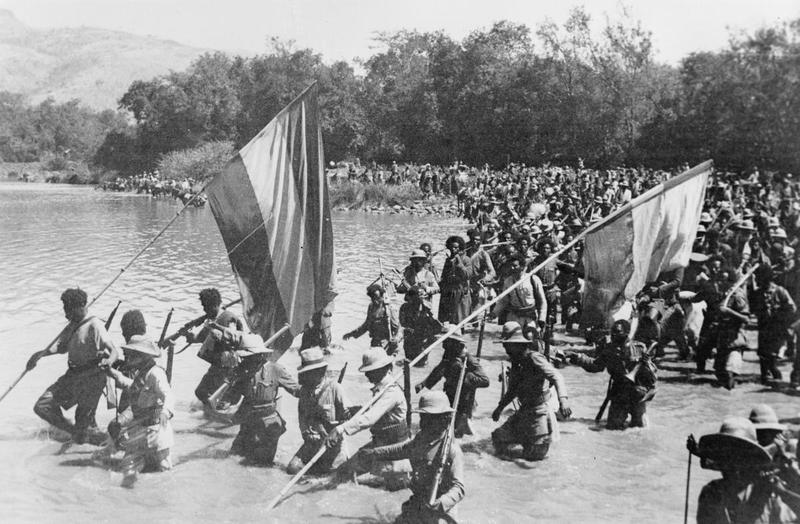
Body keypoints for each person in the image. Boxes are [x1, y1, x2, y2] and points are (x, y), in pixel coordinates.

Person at [28, 288, 120, 445]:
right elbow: (61, 348)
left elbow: (114, 351)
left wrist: (109, 361)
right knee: (42, 405)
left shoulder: (94, 325)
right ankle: (72, 430)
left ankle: (96, 438)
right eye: (65, 308)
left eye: (68, 308)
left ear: (81, 306)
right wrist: (40, 354)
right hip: (72, 376)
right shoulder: (72, 325)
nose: (65, 313)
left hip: (91, 379)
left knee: (84, 425)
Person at [368, 390, 465, 524]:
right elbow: (402, 450)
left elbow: (459, 488)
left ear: (444, 419)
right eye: (423, 417)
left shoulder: (452, 450)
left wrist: (441, 503)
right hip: (419, 500)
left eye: (430, 418)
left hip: (441, 509)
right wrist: (375, 453)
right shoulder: (421, 439)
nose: (423, 422)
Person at [326, 348, 411, 489]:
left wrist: (341, 429)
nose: (366, 375)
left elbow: (370, 418)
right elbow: (377, 412)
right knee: (345, 471)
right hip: (379, 443)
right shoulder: (381, 389)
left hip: (394, 448)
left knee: (394, 488)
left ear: (383, 369)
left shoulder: (391, 392)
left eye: (370, 371)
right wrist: (357, 410)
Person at [694, 417, 800, 524]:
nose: (733, 465)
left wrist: (784, 493)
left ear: (750, 460)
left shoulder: (767, 495)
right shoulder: (711, 493)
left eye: (740, 458)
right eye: (727, 456)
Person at [491, 321, 571, 460]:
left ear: (517, 344)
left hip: (539, 412)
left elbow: (556, 376)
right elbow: (513, 390)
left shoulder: (534, 358)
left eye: (507, 345)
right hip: (525, 410)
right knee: (498, 437)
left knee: (534, 457)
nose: (505, 348)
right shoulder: (516, 362)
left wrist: (563, 401)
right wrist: (499, 408)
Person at [104, 334, 174, 487]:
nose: (128, 358)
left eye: (131, 355)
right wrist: (114, 374)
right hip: (140, 430)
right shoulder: (142, 372)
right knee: (127, 469)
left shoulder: (155, 373)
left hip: (156, 431)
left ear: (142, 356)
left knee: (164, 472)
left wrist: (166, 412)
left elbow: (167, 394)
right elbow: (135, 387)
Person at [567, 319, 657, 430]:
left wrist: (647, 364)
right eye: (612, 333)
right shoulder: (609, 349)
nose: (614, 337)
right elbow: (596, 365)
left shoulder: (639, 348)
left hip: (637, 392)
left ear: (627, 334)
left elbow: (652, 377)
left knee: (641, 428)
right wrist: (578, 358)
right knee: (613, 428)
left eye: (618, 334)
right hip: (619, 391)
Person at [228, 333, 300, 465]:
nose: (245, 360)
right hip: (248, 422)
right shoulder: (241, 372)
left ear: (259, 355)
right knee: (233, 458)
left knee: (260, 465)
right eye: (244, 357)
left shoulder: (275, 369)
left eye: (249, 357)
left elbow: (297, 390)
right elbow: (233, 399)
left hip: (268, 425)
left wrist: (317, 389)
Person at [287, 348, 349, 475]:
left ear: (321, 371)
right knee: (293, 469)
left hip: (333, 446)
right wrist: (307, 434)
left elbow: (349, 419)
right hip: (312, 444)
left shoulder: (335, 389)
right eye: (305, 373)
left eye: (310, 373)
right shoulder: (304, 392)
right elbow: (302, 418)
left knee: (331, 477)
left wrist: (337, 430)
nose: (306, 376)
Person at [180, 288, 245, 408]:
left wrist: (217, 332)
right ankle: (211, 410)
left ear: (215, 305)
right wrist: (188, 335)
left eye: (207, 307)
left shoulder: (229, 318)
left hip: (229, 365)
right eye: (204, 307)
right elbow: (199, 338)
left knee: (217, 396)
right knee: (200, 392)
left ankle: (217, 411)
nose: (205, 310)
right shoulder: (211, 320)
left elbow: (235, 338)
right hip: (218, 364)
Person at [416, 334, 489, 437]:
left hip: (464, 399)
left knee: (460, 429)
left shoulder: (468, 359)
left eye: (446, 342)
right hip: (450, 394)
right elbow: (439, 370)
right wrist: (423, 384)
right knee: (446, 424)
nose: (443, 345)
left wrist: (465, 375)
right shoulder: (449, 353)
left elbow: (485, 381)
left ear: (456, 344)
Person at [751, 265, 796, 383]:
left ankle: (776, 376)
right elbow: (753, 309)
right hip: (763, 326)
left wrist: (780, 317)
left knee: (771, 354)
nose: (757, 280)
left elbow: (792, 308)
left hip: (776, 327)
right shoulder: (758, 293)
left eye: (758, 277)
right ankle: (765, 377)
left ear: (766, 278)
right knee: (762, 353)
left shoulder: (780, 291)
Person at [493, 254, 547, 330]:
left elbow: (542, 301)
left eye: (515, 266)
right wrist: (494, 313)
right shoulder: (508, 281)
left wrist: (542, 318)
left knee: (531, 335)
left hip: (530, 318)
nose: (512, 268)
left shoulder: (533, 279)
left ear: (522, 267)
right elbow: (504, 301)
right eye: (511, 266)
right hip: (514, 317)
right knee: (510, 332)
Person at [344, 284, 401, 354]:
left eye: (377, 298)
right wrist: (352, 334)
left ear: (382, 296)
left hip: (386, 343)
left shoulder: (389, 308)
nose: (375, 301)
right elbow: (366, 325)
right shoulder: (371, 307)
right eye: (372, 298)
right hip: (375, 342)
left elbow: (398, 327)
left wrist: (396, 339)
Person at [399, 286, 443, 367]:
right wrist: (408, 328)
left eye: (423, 295)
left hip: (422, 336)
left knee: (421, 362)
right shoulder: (404, 307)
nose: (422, 297)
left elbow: (436, 325)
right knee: (410, 359)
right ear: (412, 297)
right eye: (420, 295)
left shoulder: (426, 307)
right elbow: (402, 322)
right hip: (410, 336)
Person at [438, 235, 474, 327]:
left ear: (460, 248)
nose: (453, 250)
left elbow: (468, 275)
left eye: (456, 248)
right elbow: (444, 276)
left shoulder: (466, 260)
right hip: (448, 292)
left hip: (461, 293)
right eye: (452, 247)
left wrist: (459, 263)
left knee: (460, 319)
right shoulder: (448, 260)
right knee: (447, 320)